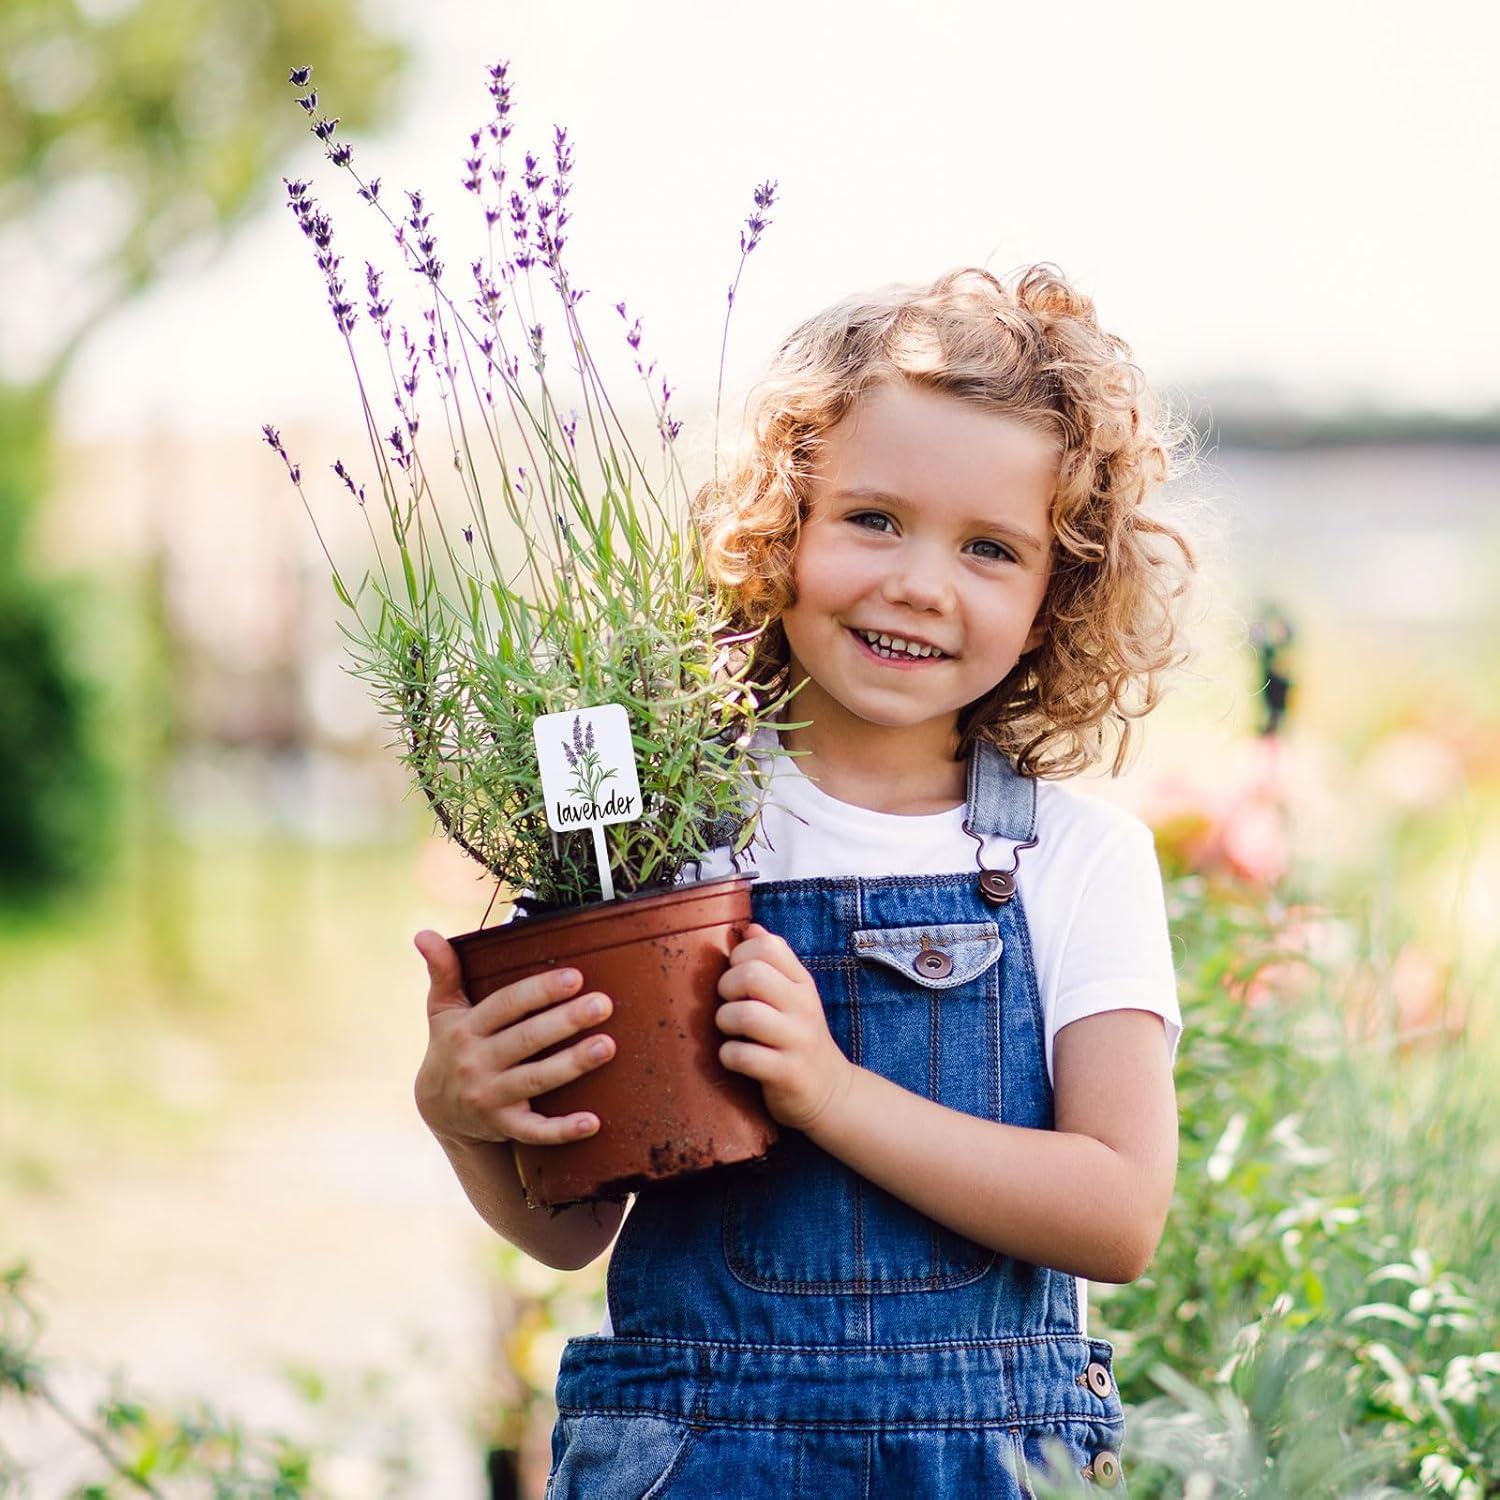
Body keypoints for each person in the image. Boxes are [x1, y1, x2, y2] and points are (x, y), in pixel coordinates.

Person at [414, 264, 1201, 1496]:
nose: (919, 583)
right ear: (783, 528)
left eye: (991, 548)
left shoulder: (1076, 860)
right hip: (694, 1451)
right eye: (873, 518)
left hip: (986, 1462)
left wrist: (833, 1095)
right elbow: (572, 1227)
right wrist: (464, 1119)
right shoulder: (667, 839)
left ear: (1058, 599)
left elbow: (1116, 1212)